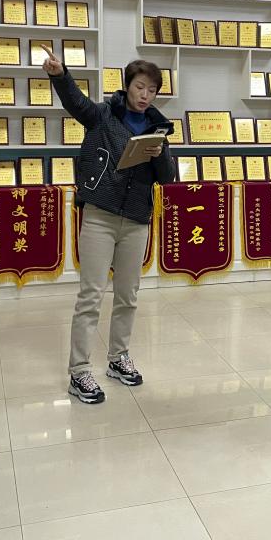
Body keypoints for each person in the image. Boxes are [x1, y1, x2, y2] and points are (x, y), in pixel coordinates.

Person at [42, 46, 175, 405]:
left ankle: (118, 357)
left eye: (152, 90)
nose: (145, 95)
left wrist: (160, 153)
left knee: (128, 295)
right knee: (91, 296)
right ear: (127, 85)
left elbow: (168, 177)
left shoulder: (158, 127)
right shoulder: (103, 115)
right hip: (100, 215)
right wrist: (60, 75)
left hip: (136, 219)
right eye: (140, 87)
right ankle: (79, 371)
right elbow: (76, 103)